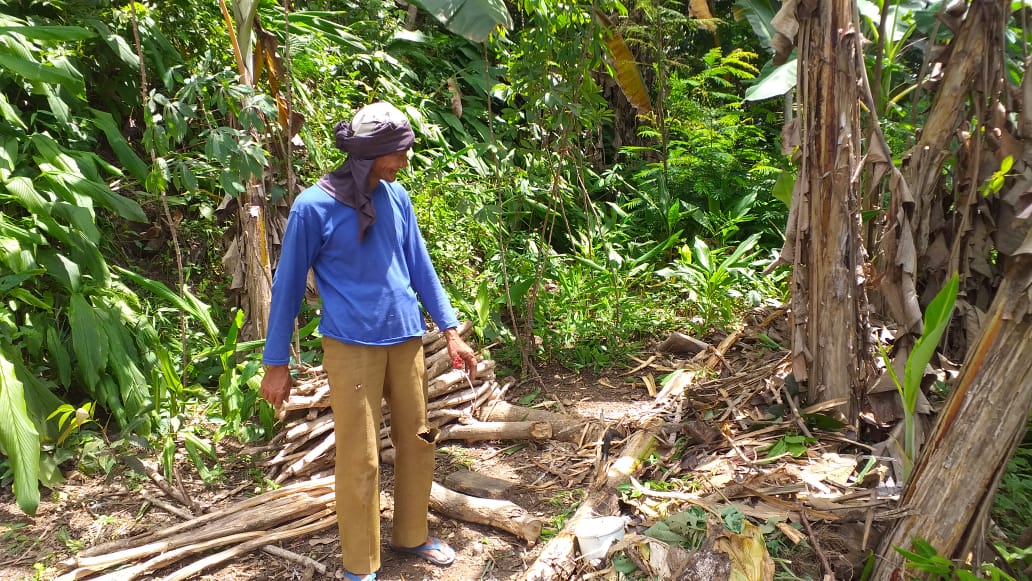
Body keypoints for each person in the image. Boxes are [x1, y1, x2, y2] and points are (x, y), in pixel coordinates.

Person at [259, 101, 478, 581]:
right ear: (369, 155)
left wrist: (451, 332)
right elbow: (289, 285)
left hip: (406, 343)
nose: (404, 160)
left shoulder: (396, 198)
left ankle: (412, 535)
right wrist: (277, 362)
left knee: (420, 440)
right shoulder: (312, 207)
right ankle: (362, 565)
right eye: (397, 152)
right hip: (352, 348)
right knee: (359, 457)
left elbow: (421, 266)